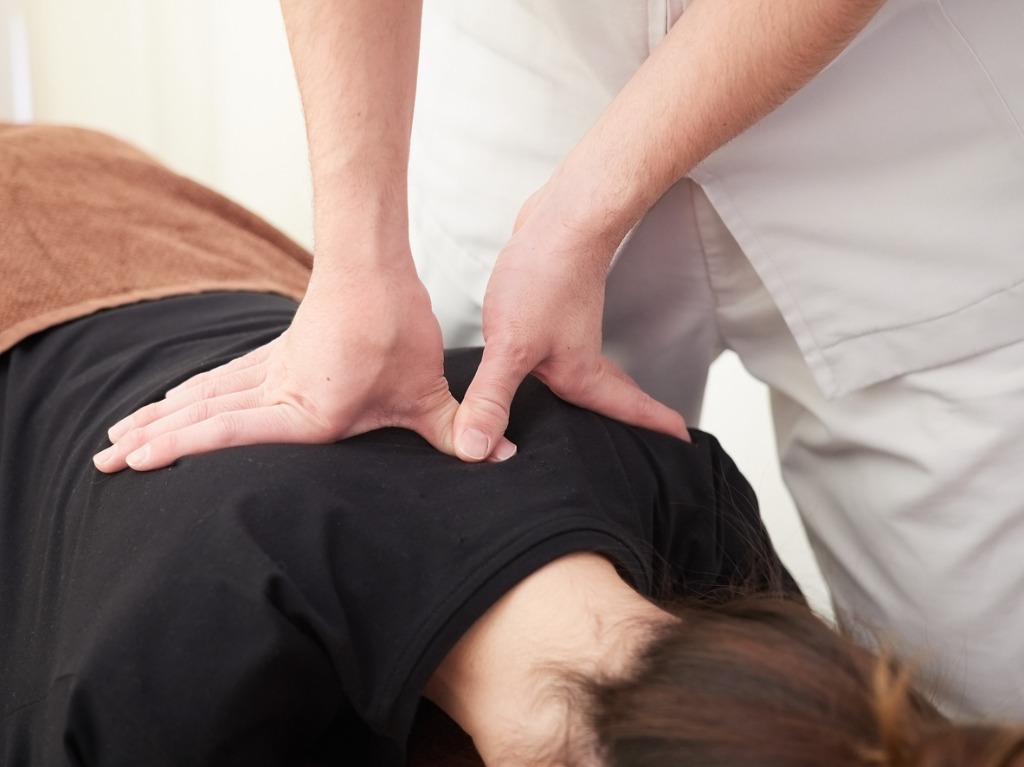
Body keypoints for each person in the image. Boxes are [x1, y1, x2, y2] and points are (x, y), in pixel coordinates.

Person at [94, 0, 1024, 719]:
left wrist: (578, 216)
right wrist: (359, 256)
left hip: (901, 108)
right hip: (538, 86)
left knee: (989, 680)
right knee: (499, 593)